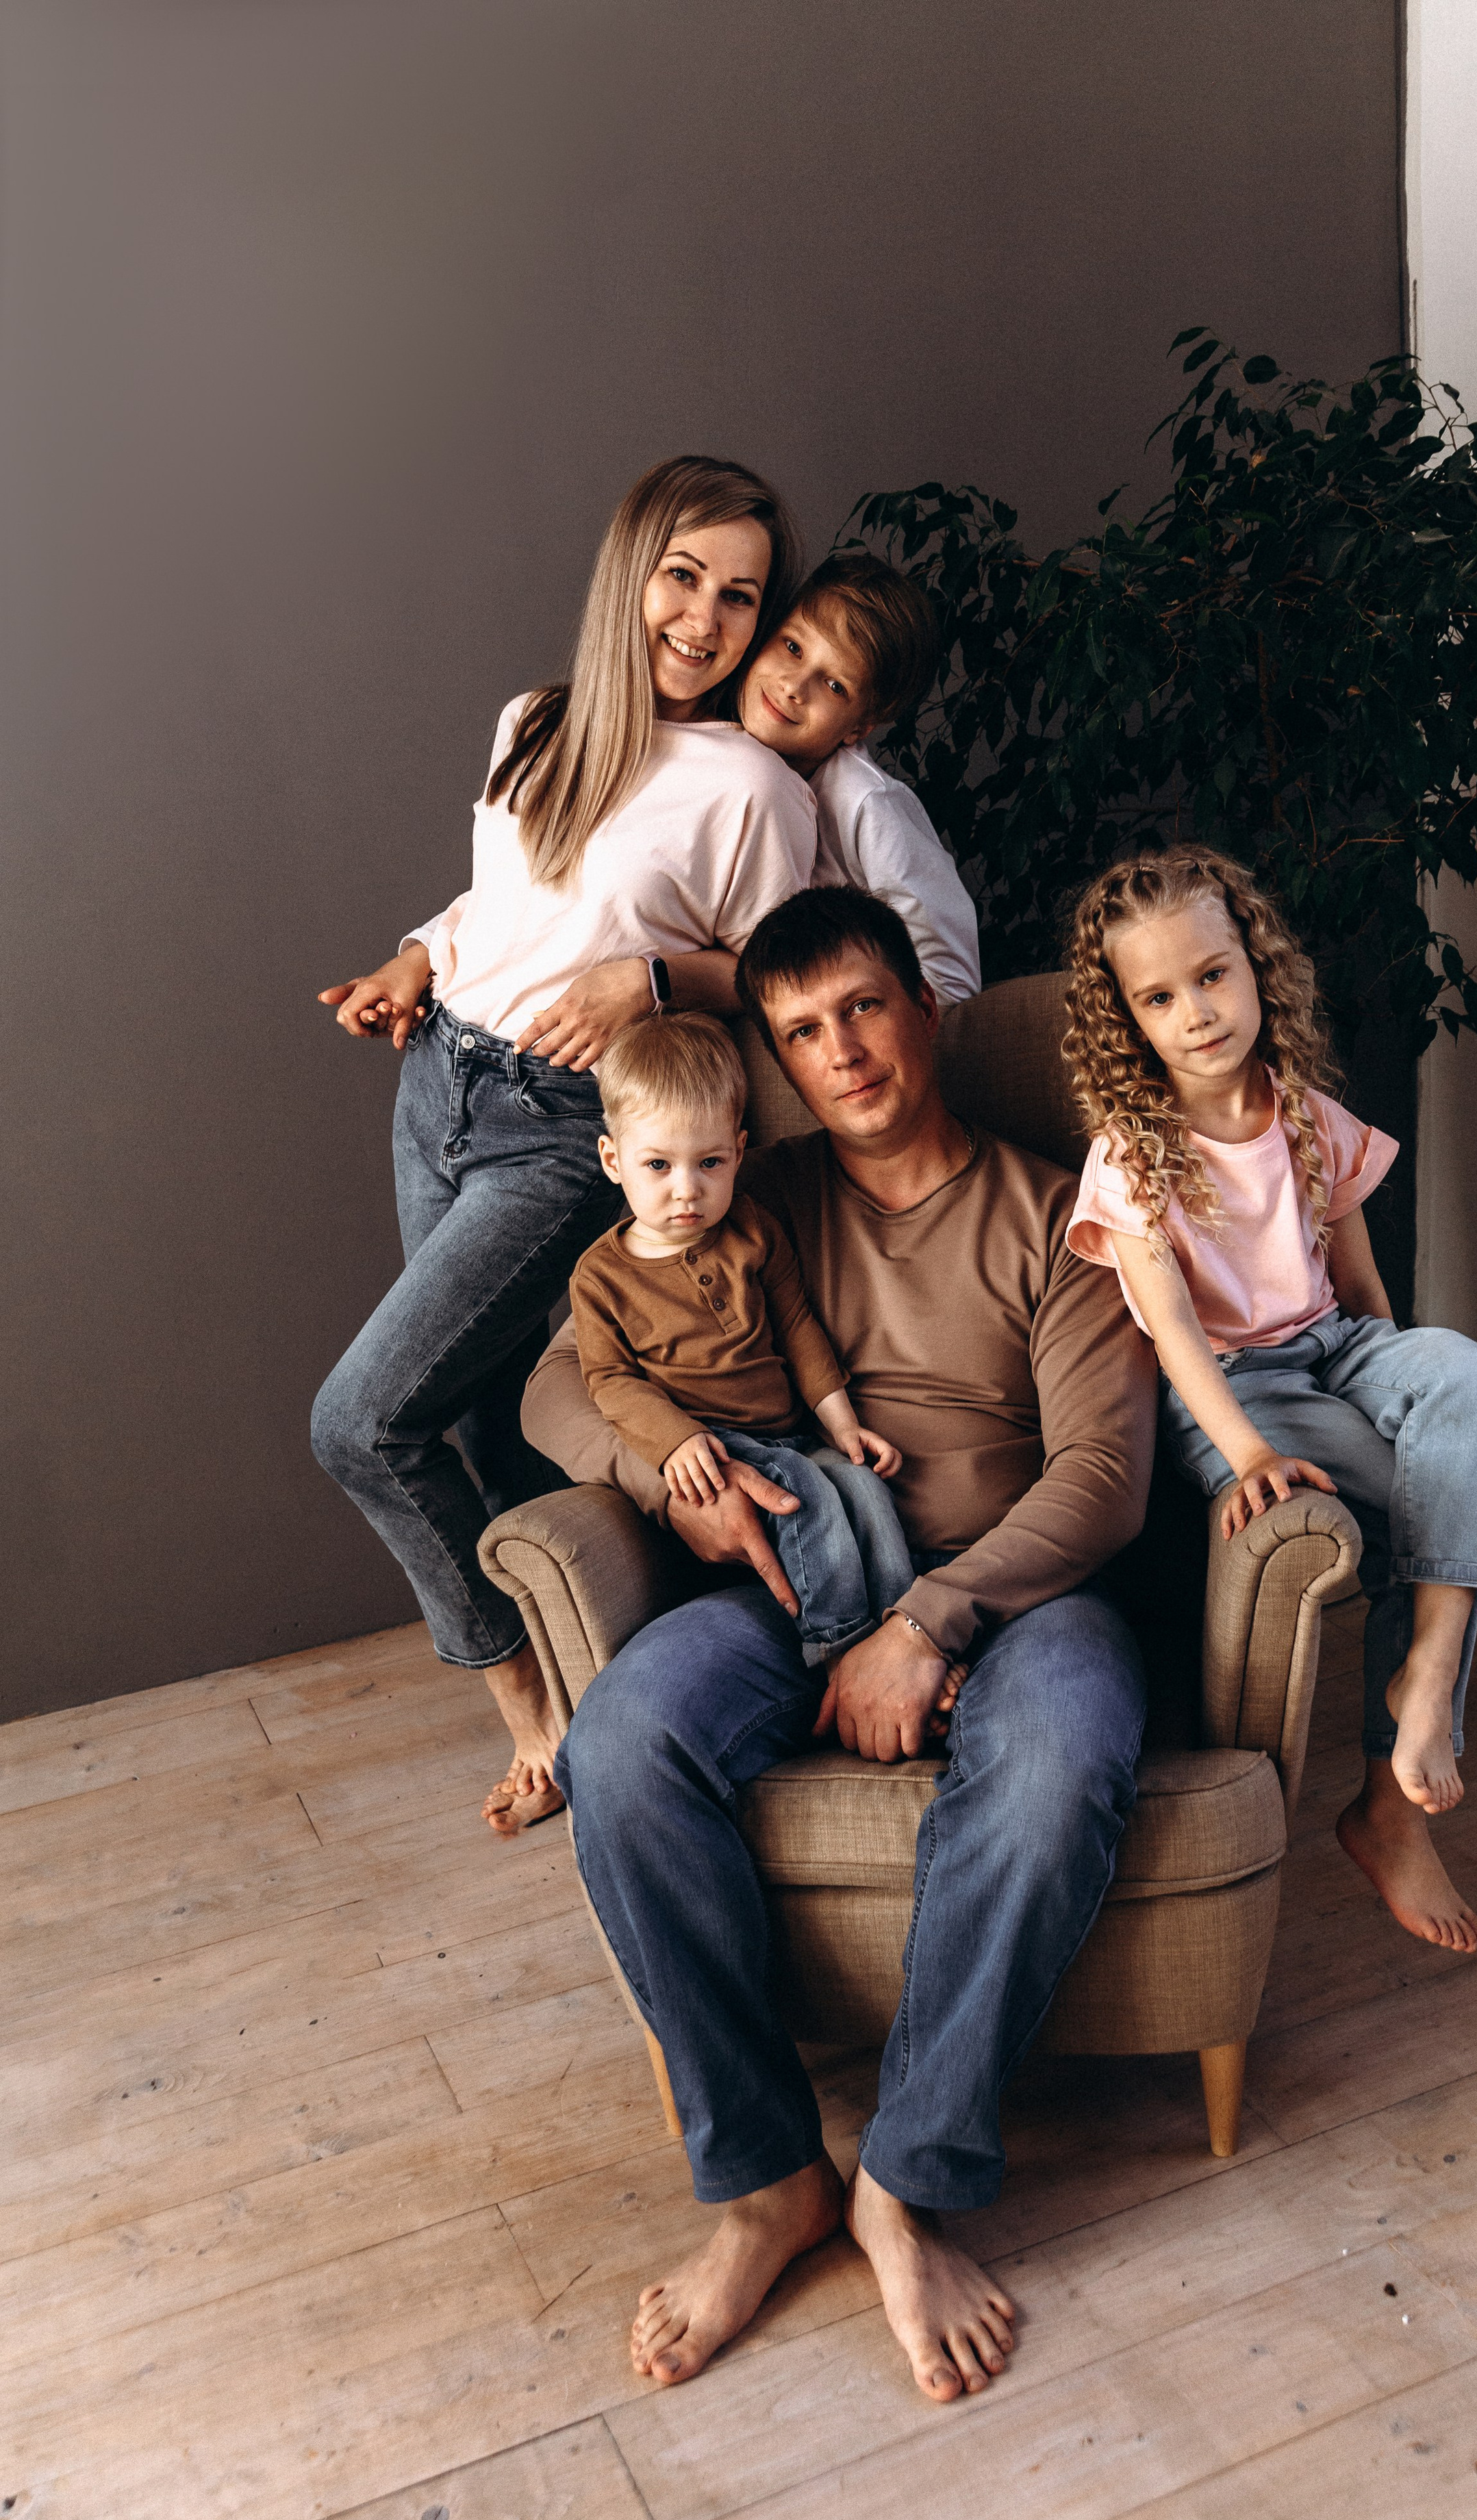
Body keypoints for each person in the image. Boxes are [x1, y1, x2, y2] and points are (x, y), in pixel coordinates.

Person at [518, 887, 1156, 2403]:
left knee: (1063, 1753)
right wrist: (672, 1487)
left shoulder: (1055, 1210)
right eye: (799, 1031)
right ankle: (765, 2180)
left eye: (861, 1008)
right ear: (776, 1066)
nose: (838, 1051)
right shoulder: (742, 1199)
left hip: (1019, 1593)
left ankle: (905, 2183)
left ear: (920, 1011)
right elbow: (556, 1391)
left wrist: (931, 1622)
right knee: (620, 1741)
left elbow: (1103, 1478)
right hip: (793, 1581)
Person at [310, 456, 816, 1813]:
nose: (703, 621)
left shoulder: (752, 789)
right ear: (629, 571)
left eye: (740, 598)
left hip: (562, 1126)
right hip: (438, 1081)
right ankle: (633, 1693)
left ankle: (533, 1704)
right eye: (682, 577)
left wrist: (650, 984)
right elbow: (508, 906)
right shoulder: (533, 723)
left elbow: (785, 975)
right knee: (470, 1413)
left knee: (363, 1421)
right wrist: (415, 959)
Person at [1062, 843, 1477, 1957]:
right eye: (1160, 996)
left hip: (1337, 1349)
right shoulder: (1135, 1154)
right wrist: (1243, 1452)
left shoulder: (1302, 1111)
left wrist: (1416, 1390)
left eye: (1213, 976)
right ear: (1129, 1021)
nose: (1198, 1011)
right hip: (1232, 1389)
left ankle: (1429, 1659)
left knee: (1476, 1380)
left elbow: (1362, 1289)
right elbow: (1170, 1333)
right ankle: (1394, 1799)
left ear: (1258, 968)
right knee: (1426, 1484)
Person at [570, 1009, 939, 1682]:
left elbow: (797, 1326)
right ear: (613, 1159)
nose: (688, 1189)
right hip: (713, 1443)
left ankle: (901, 1627)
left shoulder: (752, 1231)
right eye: (658, 1165)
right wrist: (675, 1441)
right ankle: (835, 1646)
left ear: (739, 1152)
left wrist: (843, 1425)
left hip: (790, 1431)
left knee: (860, 1486)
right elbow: (610, 1379)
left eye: (709, 1162)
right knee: (803, 1495)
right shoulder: (601, 1276)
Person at [737, 548, 982, 1004]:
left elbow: (952, 976)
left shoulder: (866, 802)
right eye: (792, 647)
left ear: (858, 727)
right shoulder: (724, 751)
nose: (793, 686)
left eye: (834, 686)